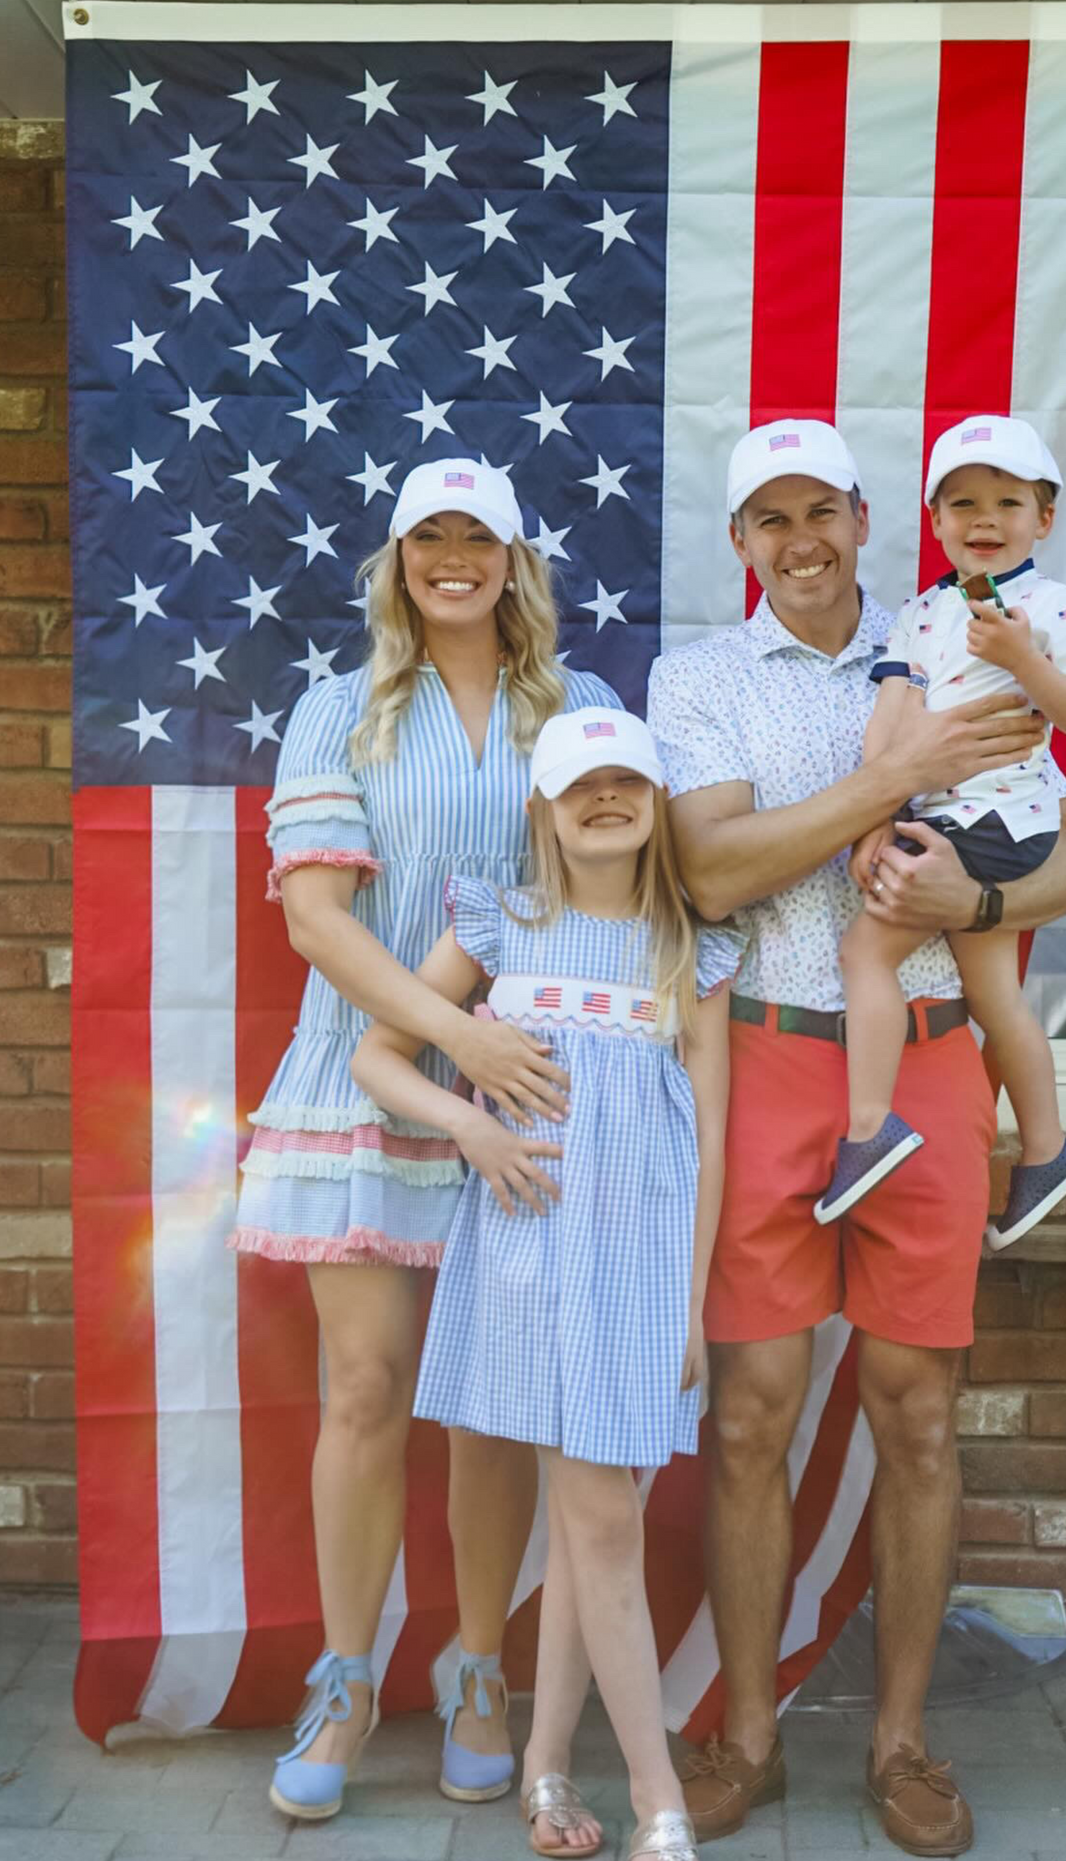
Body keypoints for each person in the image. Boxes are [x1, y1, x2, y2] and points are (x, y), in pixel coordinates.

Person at [646, 418, 1066, 1858]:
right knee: (748, 1419)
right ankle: (748, 1736)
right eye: (766, 521)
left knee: (914, 1414)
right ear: (740, 543)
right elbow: (712, 869)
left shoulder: (964, 630)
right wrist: (891, 777)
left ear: (859, 516)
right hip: (772, 1062)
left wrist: (973, 909)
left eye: (819, 512)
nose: (798, 541)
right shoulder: (698, 677)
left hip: (928, 1066)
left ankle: (901, 1745)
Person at [228, 458, 622, 1821]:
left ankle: (476, 1669)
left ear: (518, 559)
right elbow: (317, 920)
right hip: (363, 1081)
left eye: (480, 537)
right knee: (365, 1386)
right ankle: (342, 1677)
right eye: (428, 538)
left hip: (531, 1092)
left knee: (494, 1399)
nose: (454, 558)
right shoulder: (338, 710)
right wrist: (453, 1045)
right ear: (397, 560)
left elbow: (617, 891)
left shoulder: (582, 710)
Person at [351, 707, 743, 1861]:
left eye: (628, 781)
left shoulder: (690, 952)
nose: (606, 799)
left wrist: (685, 1305)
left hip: (637, 1269)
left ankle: (543, 1767)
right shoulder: (503, 924)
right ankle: (656, 1791)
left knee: (591, 1527)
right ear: (542, 809)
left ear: (656, 800)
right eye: (582, 785)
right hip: (529, 1256)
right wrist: (465, 1131)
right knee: (601, 1519)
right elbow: (379, 1052)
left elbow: (708, 1139)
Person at [821, 415, 1066, 1244]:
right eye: (963, 502)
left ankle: (870, 1125)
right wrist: (873, 815)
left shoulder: (1052, 608)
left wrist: (1024, 662)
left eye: (1008, 502)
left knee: (864, 952)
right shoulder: (919, 615)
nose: (985, 519)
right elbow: (891, 720)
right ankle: (1046, 1149)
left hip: (1000, 817)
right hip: (937, 813)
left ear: (1044, 518)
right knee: (995, 995)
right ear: (936, 519)